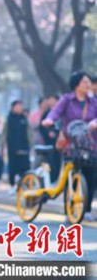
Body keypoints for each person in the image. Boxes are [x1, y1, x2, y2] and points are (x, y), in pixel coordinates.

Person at [42, 71, 97, 221]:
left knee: (90, 176)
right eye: (84, 82)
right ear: (76, 84)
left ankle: (86, 210)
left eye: (88, 82)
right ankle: (69, 210)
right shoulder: (67, 99)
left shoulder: (93, 102)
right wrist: (49, 120)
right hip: (70, 144)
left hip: (89, 144)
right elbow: (56, 112)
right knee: (70, 175)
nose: (88, 85)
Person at [1, 100, 31, 195]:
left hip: (24, 148)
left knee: (25, 168)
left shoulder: (24, 118)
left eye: (21, 106)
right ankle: (12, 185)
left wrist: (31, 145)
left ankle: (24, 186)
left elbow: (29, 133)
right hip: (12, 148)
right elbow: (4, 134)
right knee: (12, 168)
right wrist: (2, 147)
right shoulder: (9, 119)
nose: (20, 108)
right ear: (13, 107)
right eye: (18, 106)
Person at [38, 95, 61, 183]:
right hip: (48, 143)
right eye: (49, 99)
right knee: (49, 161)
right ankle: (48, 180)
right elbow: (41, 127)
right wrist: (48, 133)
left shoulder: (61, 112)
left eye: (51, 99)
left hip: (59, 142)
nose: (49, 101)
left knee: (57, 162)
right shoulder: (46, 113)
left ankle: (55, 179)